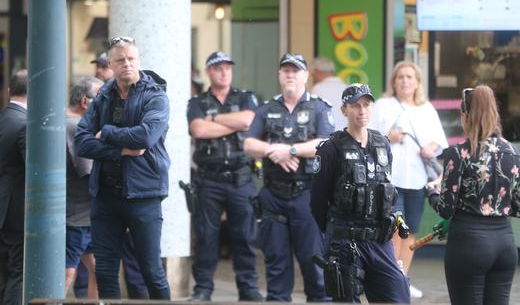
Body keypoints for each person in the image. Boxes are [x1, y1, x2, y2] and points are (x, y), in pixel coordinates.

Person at [75, 36, 171, 299]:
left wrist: (105, 131)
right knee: (105, 271)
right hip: (105, 196)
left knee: (151, 271)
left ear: (138, 61)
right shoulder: (103, 96)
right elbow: (82, 142)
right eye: (120, 60)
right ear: (112, 64)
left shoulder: (156, 96)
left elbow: (145, 138)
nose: (127, 64)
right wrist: (121, 150)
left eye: (131, 59)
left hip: (144, 194)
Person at [426, 85, 520, 305]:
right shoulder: (513, 152)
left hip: (468, 244)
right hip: (504, 244)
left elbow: (446, 208)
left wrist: (431, 192)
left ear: (466, 115)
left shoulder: (459, 153)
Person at [244, 52, 333, 302]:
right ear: (280, 75)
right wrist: (273, 151)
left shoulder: (319, 107)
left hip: (308, 196)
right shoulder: (266, 109)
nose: (290, 74)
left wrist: (291, 150)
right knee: (276, 269)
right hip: (273, 195)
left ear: (306, 75)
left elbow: (326, 143)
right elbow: (249, 144)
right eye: (286, 70)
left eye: (296, 70)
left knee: (315, 266)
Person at [311, 83, 410, 303]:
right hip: (345, 241)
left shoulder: (382, 144)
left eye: (366, 105)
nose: (362, 111)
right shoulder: (331, 148)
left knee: (397, 296)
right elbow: (317, 201)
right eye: (355, 106)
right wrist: (332, 234)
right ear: (344, 110)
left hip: (379, 241)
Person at [186, 51, 263, 302]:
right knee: (207, 236)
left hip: (241, 177)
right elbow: (198, 129)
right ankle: (203, 289)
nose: (224, 72)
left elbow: (248, 121)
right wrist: (230, 123)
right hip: (208, 179)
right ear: (208, 71)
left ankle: (248, 288)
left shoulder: (245, 97)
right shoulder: (197, 102)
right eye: (218, 68)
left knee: (245, 236)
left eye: (228, 67)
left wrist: (214, 119)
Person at [369, 61, 447, 299]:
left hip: (417, 180)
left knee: (411, 231)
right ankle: (391, 278)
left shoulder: (426, 109)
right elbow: (367, 137)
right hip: (389, 180)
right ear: (394, 81)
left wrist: (430, 148)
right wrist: (387, 137)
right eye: (400, 77)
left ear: (417, 83)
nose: (404, 81)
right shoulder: (382, 106)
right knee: (395, 230)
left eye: (409, 77)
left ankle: (403, 277)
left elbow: (439, 141)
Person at [65, 77, 103, 298]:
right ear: (85, 102)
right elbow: (89, 171)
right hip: (77, 217)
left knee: (98, 269)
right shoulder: (77, 126)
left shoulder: (63, 121)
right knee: (67, 273)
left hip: (82, 215)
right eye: (100, 98)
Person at [0, 69, 27, 305]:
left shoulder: (4, 117)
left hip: (4, 210)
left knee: (5, 273)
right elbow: (33, 170)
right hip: (16, 212)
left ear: (10, 91)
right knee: (19, 271)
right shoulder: (25, 124)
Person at [311, 56, 347, 130]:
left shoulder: (318, 88)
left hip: (326, 136)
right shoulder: (347, 87)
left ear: (317, 71)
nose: (313, 78)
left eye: (313, 75)